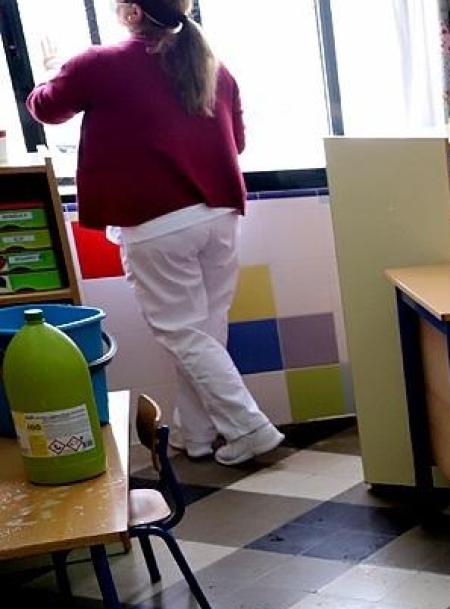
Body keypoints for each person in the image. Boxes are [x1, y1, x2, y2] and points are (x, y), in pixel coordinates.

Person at [28, 0, 283, 465]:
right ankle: (197, 433)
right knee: (205, 330)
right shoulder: (215, 68)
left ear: (129, 14)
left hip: (157, 222)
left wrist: (50, 70)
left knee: (185, 334)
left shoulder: (99, 63)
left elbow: (46, 109)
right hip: (219, 213)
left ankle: (249, 427)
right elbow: (236, 141)